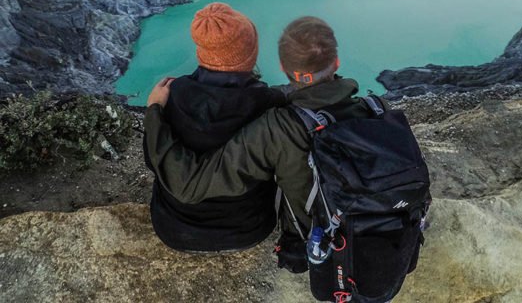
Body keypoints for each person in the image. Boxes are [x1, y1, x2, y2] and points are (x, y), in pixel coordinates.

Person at [144, 16, 427, 301]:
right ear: (337, 63)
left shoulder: (277, 125)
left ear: (283, 68)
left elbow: (191, 183)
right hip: (391, 227)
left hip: (325, 238)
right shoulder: (377, 108)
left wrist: (154, 110)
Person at [143, 2, 286, 253]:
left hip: (173, 229)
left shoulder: (173, 95)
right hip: (247, 230)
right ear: (248, 52)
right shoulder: (268, 103)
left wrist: (154, 108)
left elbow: (153, 157)